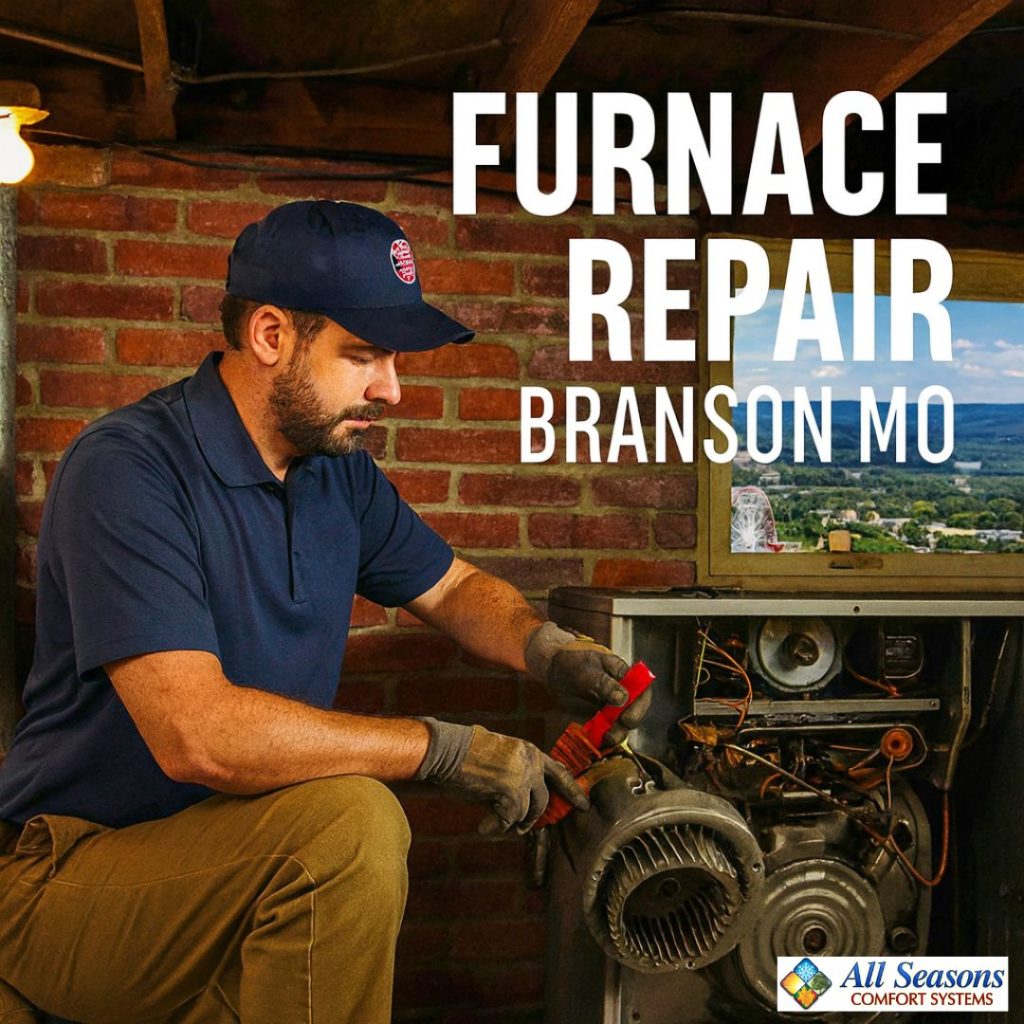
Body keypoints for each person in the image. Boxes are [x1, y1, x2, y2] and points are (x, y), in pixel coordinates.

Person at [0, 200, 648, 1024]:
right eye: (364, 356)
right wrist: (445, 751)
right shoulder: (128, 469)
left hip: (236, 863)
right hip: (70, 878)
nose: (393, 389)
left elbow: (450, 588)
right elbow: (198, 732)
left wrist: (544, 645)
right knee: (346, 826)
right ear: (272, 335)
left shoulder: (334, 470)